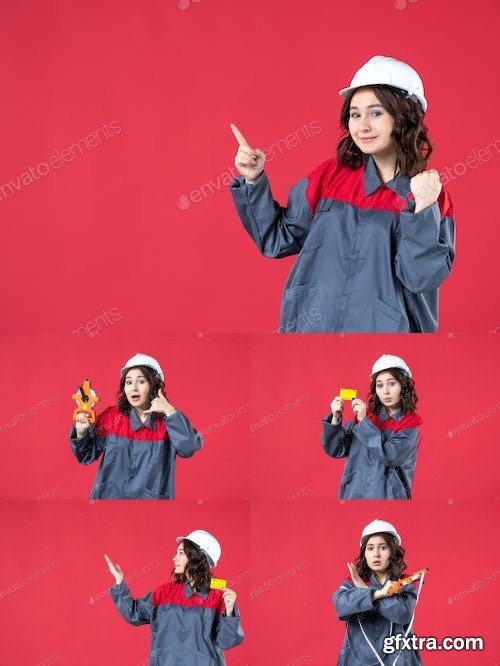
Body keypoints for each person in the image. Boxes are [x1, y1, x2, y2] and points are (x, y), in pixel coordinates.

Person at [229, 55, 455, 333]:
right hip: (312, 330)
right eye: (355, 114)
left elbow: (419, 278)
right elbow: (277, 238)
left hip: (382, 334)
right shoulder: (330, 177)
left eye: (376, 113)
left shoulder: (428, 194)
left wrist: (423, 210)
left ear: (406, 117)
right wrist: (253, 181)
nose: (362, 126)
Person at [69, 353, 203, 499]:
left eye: (141, 381)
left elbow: (188, 448)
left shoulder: (169, 422)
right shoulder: (111, 417)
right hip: (109, 505)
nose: (133, 388)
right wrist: (81, 432)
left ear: (154, 385)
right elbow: (86, 455)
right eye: (128, 382)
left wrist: (169, 411)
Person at [105, 530, 244, 665]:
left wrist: (230, 611)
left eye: (181, 553)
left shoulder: (218, 596)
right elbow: (134, 614)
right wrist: (119, 582)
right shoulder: (165, 592)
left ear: (197, 557)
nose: (174, 558)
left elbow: (226, 642)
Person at [322, 355, 421, 499]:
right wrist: (336, 417)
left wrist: (363, 421)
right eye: (380, 385)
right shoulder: (367, 417)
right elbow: (336, 449)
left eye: (392, 383)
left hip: (387, 497)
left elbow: (390, 456)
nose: (385, 391)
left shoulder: (410, 425)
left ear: (404, 386)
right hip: (354, 494)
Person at [333, 519, 424, 665]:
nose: (376, 554)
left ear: (393, 551)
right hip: (358, 659)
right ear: (364, 553)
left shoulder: (406, 584)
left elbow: (403, 614)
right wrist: (376, 594)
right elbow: (341, 605)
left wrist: (364, 593)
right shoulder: (353, 582)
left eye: (383, 547)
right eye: (370, 548)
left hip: (398, 658)